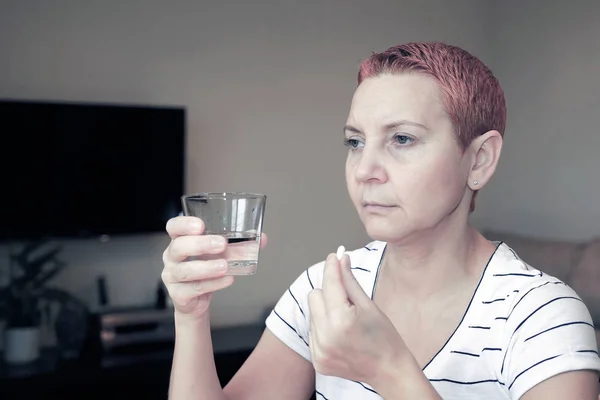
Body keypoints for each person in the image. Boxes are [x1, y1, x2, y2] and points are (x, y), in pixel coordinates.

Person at [161, 42, 600, 399]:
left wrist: (391, 373)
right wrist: (191, 314)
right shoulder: (323, 291)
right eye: (355, 142)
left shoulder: (541, 317)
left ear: (479, 160)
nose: (364, 168)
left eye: (402, 138)